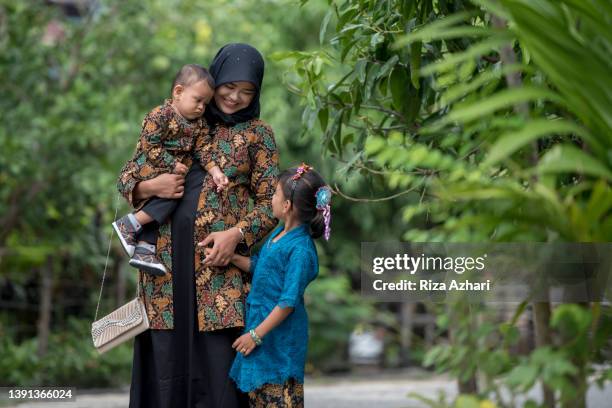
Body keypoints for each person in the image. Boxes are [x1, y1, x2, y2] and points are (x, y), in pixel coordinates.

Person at [117, 44, 279, 408]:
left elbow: (273, 203)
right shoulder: (183, 115)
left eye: (247, 90)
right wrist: (149, 187)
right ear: (214, 80)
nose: (235, 97)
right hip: (164, 269)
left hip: (217, 274)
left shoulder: (258, 135)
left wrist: (237, 234)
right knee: (165, 366)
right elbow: (128, 175)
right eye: (228, 86)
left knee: (218, 371)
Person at [226, 163, 332, 407]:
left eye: (274, 194)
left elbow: (288, 302)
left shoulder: (301, 249)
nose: (270, 198)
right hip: (262, 330)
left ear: (287, 206)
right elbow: (261, 268)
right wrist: (230, 257)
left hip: (278, 340)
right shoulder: (278, 235)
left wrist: (255, 335)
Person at [112, 64, 229, 276]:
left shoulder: (200, 125)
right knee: (175, 189)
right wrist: (171, 164)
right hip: (148, 167)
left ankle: (144, 250)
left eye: (206, 103)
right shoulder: (161, 115)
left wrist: (215, 171)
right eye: (198, 100)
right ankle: (129, 224)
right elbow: (149, 145)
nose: (202, 107)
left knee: (175, 192)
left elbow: (204, 150)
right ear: (178, 92)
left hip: (170, 173)